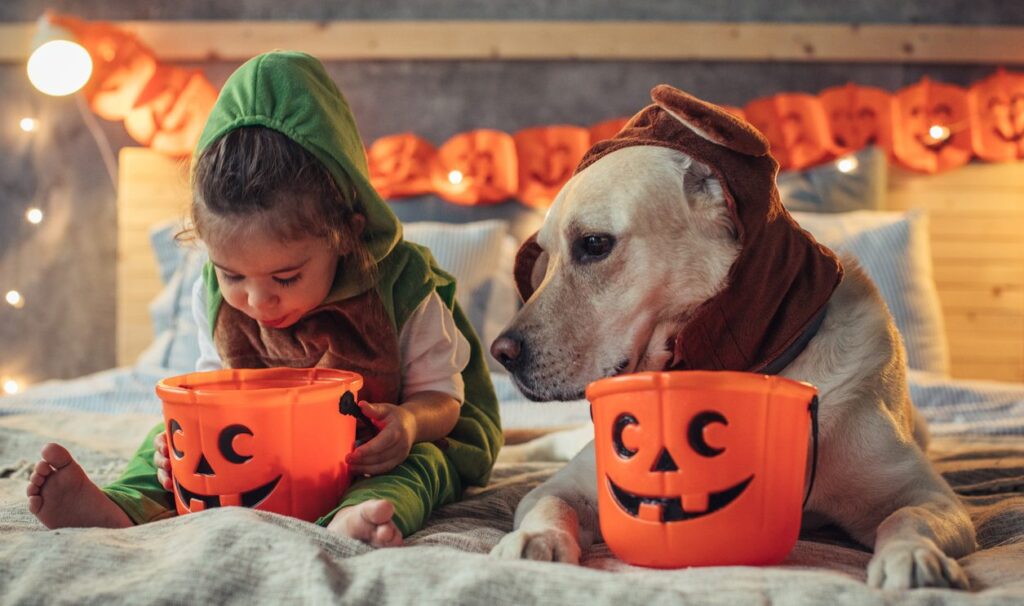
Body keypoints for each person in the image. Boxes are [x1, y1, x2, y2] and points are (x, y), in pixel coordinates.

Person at [26, 51, 502, 546]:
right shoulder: (211, 296)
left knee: (422, 464)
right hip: (261, 444)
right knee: (164, 446)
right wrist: (183, 447)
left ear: (346, 235)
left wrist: (407, 421)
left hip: (374, 448)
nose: (258, 302)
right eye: (231, 275)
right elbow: (211, 396)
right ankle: (120, 506)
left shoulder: (404, 289)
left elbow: (443, 401)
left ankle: (359, 515)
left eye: (287, 277)